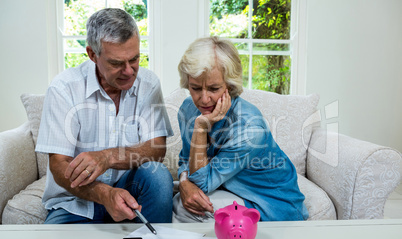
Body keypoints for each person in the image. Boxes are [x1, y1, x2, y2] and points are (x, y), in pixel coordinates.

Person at [36, 8, 174, 224]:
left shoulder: (149, 84)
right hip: (76, 201)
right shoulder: (64, 88)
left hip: (130, 196)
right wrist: (105, 194)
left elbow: (156, 150)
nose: (129, 71)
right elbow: (59, 165)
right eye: (117, 63)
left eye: (135, 59)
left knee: (157, 174)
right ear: (92, 55)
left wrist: (107, 157)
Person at [173, 36, 309, 222]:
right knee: (172, 194)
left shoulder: (250, 129)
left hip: (268, 202)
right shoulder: (188, 109)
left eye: (213, 89)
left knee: (187, 208)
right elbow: (185, 160)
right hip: (228, 188)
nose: (204, 99)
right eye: (195, 88)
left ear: (230, 85)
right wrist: (183, 181)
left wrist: (200, 128)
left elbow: (200, 184)